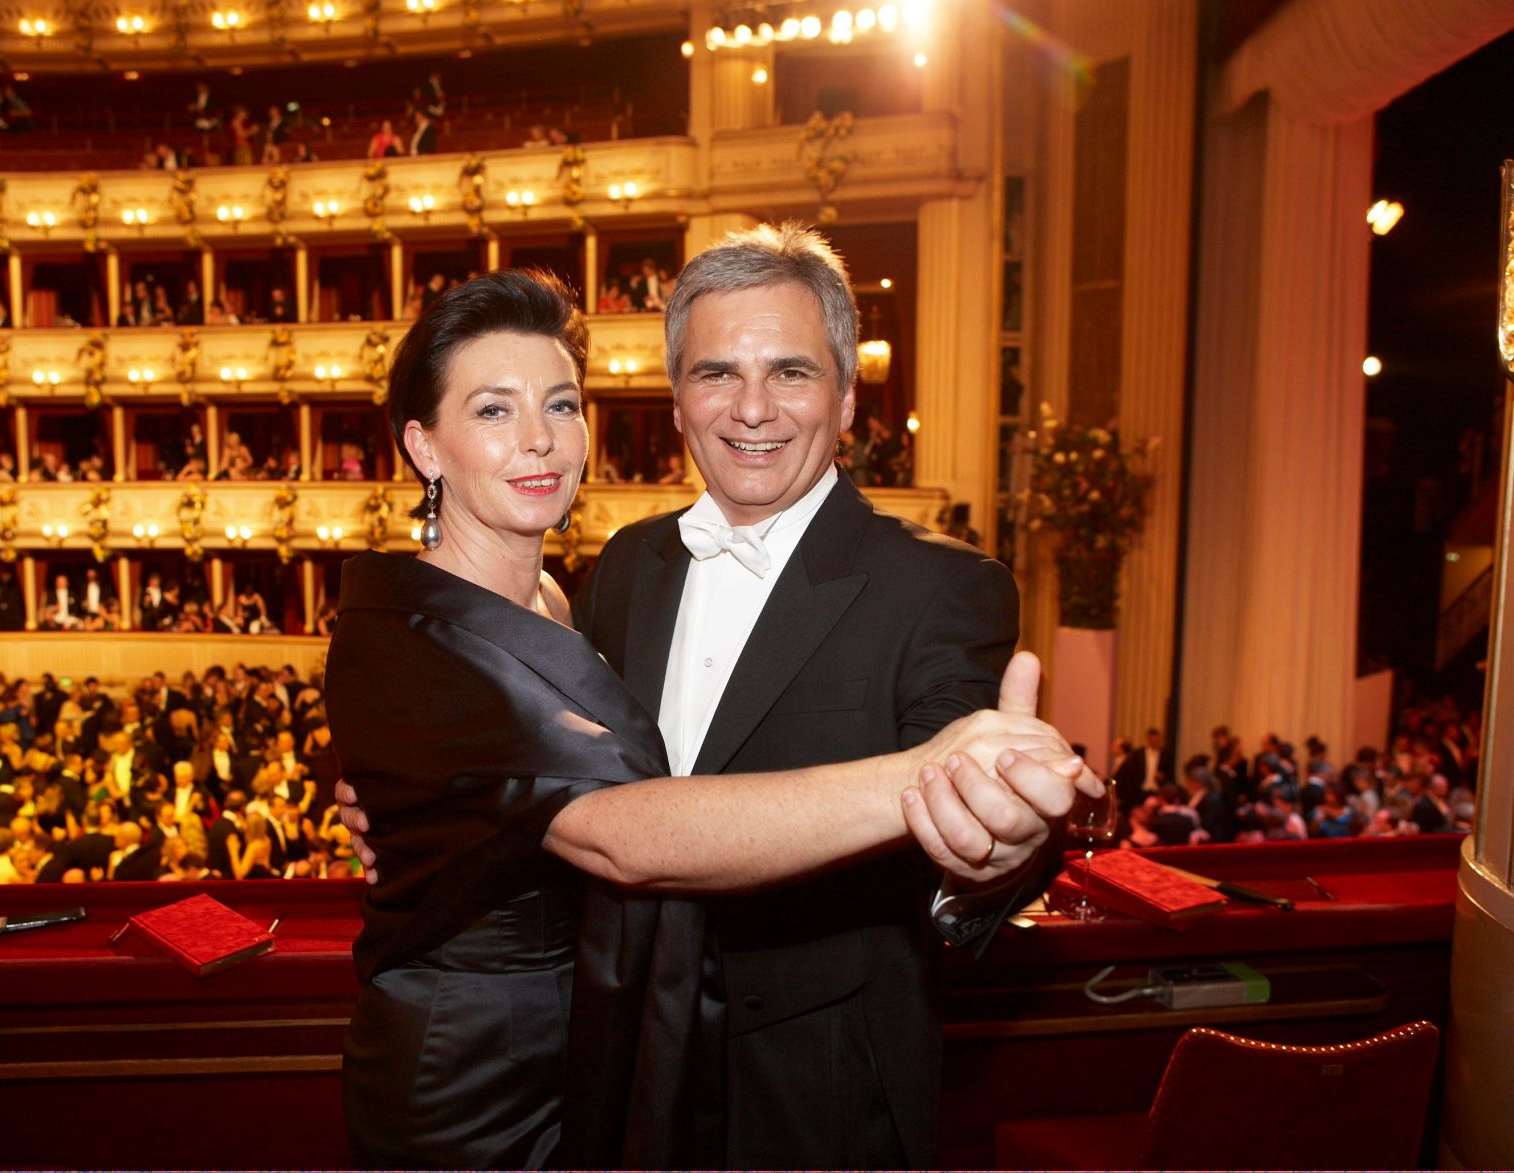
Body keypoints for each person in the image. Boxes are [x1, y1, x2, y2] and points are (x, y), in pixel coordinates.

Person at [327, 267, 1092, 1168]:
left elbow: (979, 820)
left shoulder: (942, 587)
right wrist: (416, 809)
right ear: (679, 403)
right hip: (546, 1073)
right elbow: (607, 822)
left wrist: (993, 844)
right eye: (718, 373)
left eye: (792, 373)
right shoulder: (627, 567)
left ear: (847, 399)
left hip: (805, 1095)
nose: (753, 408)